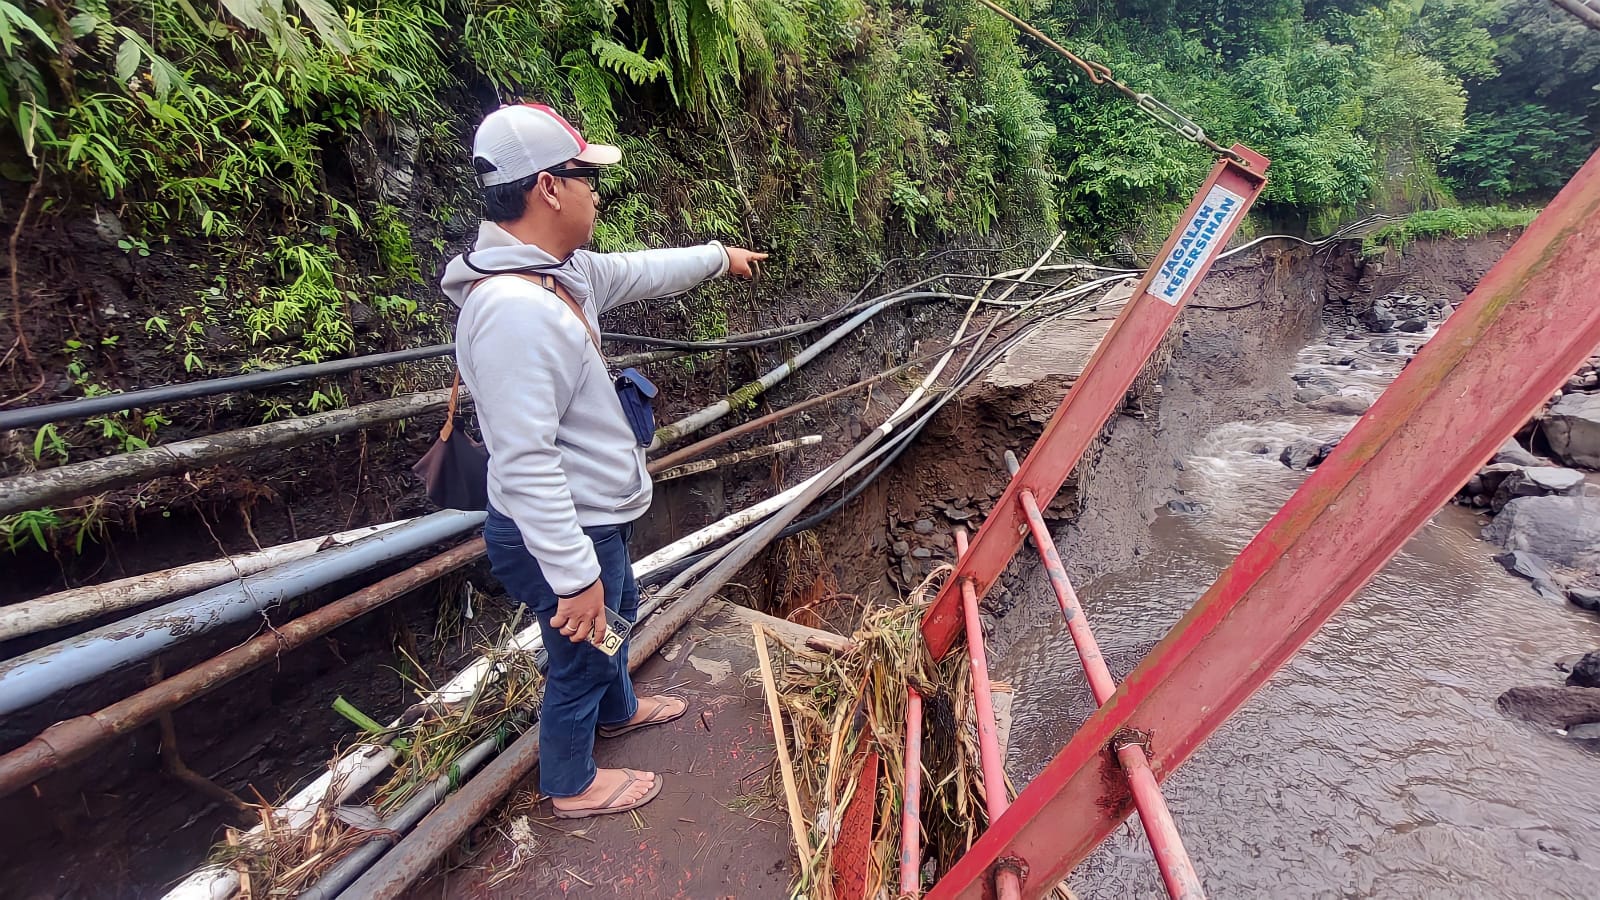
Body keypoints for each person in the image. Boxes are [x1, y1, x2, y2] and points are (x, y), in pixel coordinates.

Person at [440, 103, 767, 819]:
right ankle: (569, 784)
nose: (597, 193)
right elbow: (526, 463)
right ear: (548, 188)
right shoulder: (512, 311)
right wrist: (572, 574)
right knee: (585, 647)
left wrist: (718, 257)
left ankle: (618, 710)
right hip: (564, 533)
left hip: (595, 517)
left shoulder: (559, 273)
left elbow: (639, 270)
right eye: (587, 177)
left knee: (619, 612)